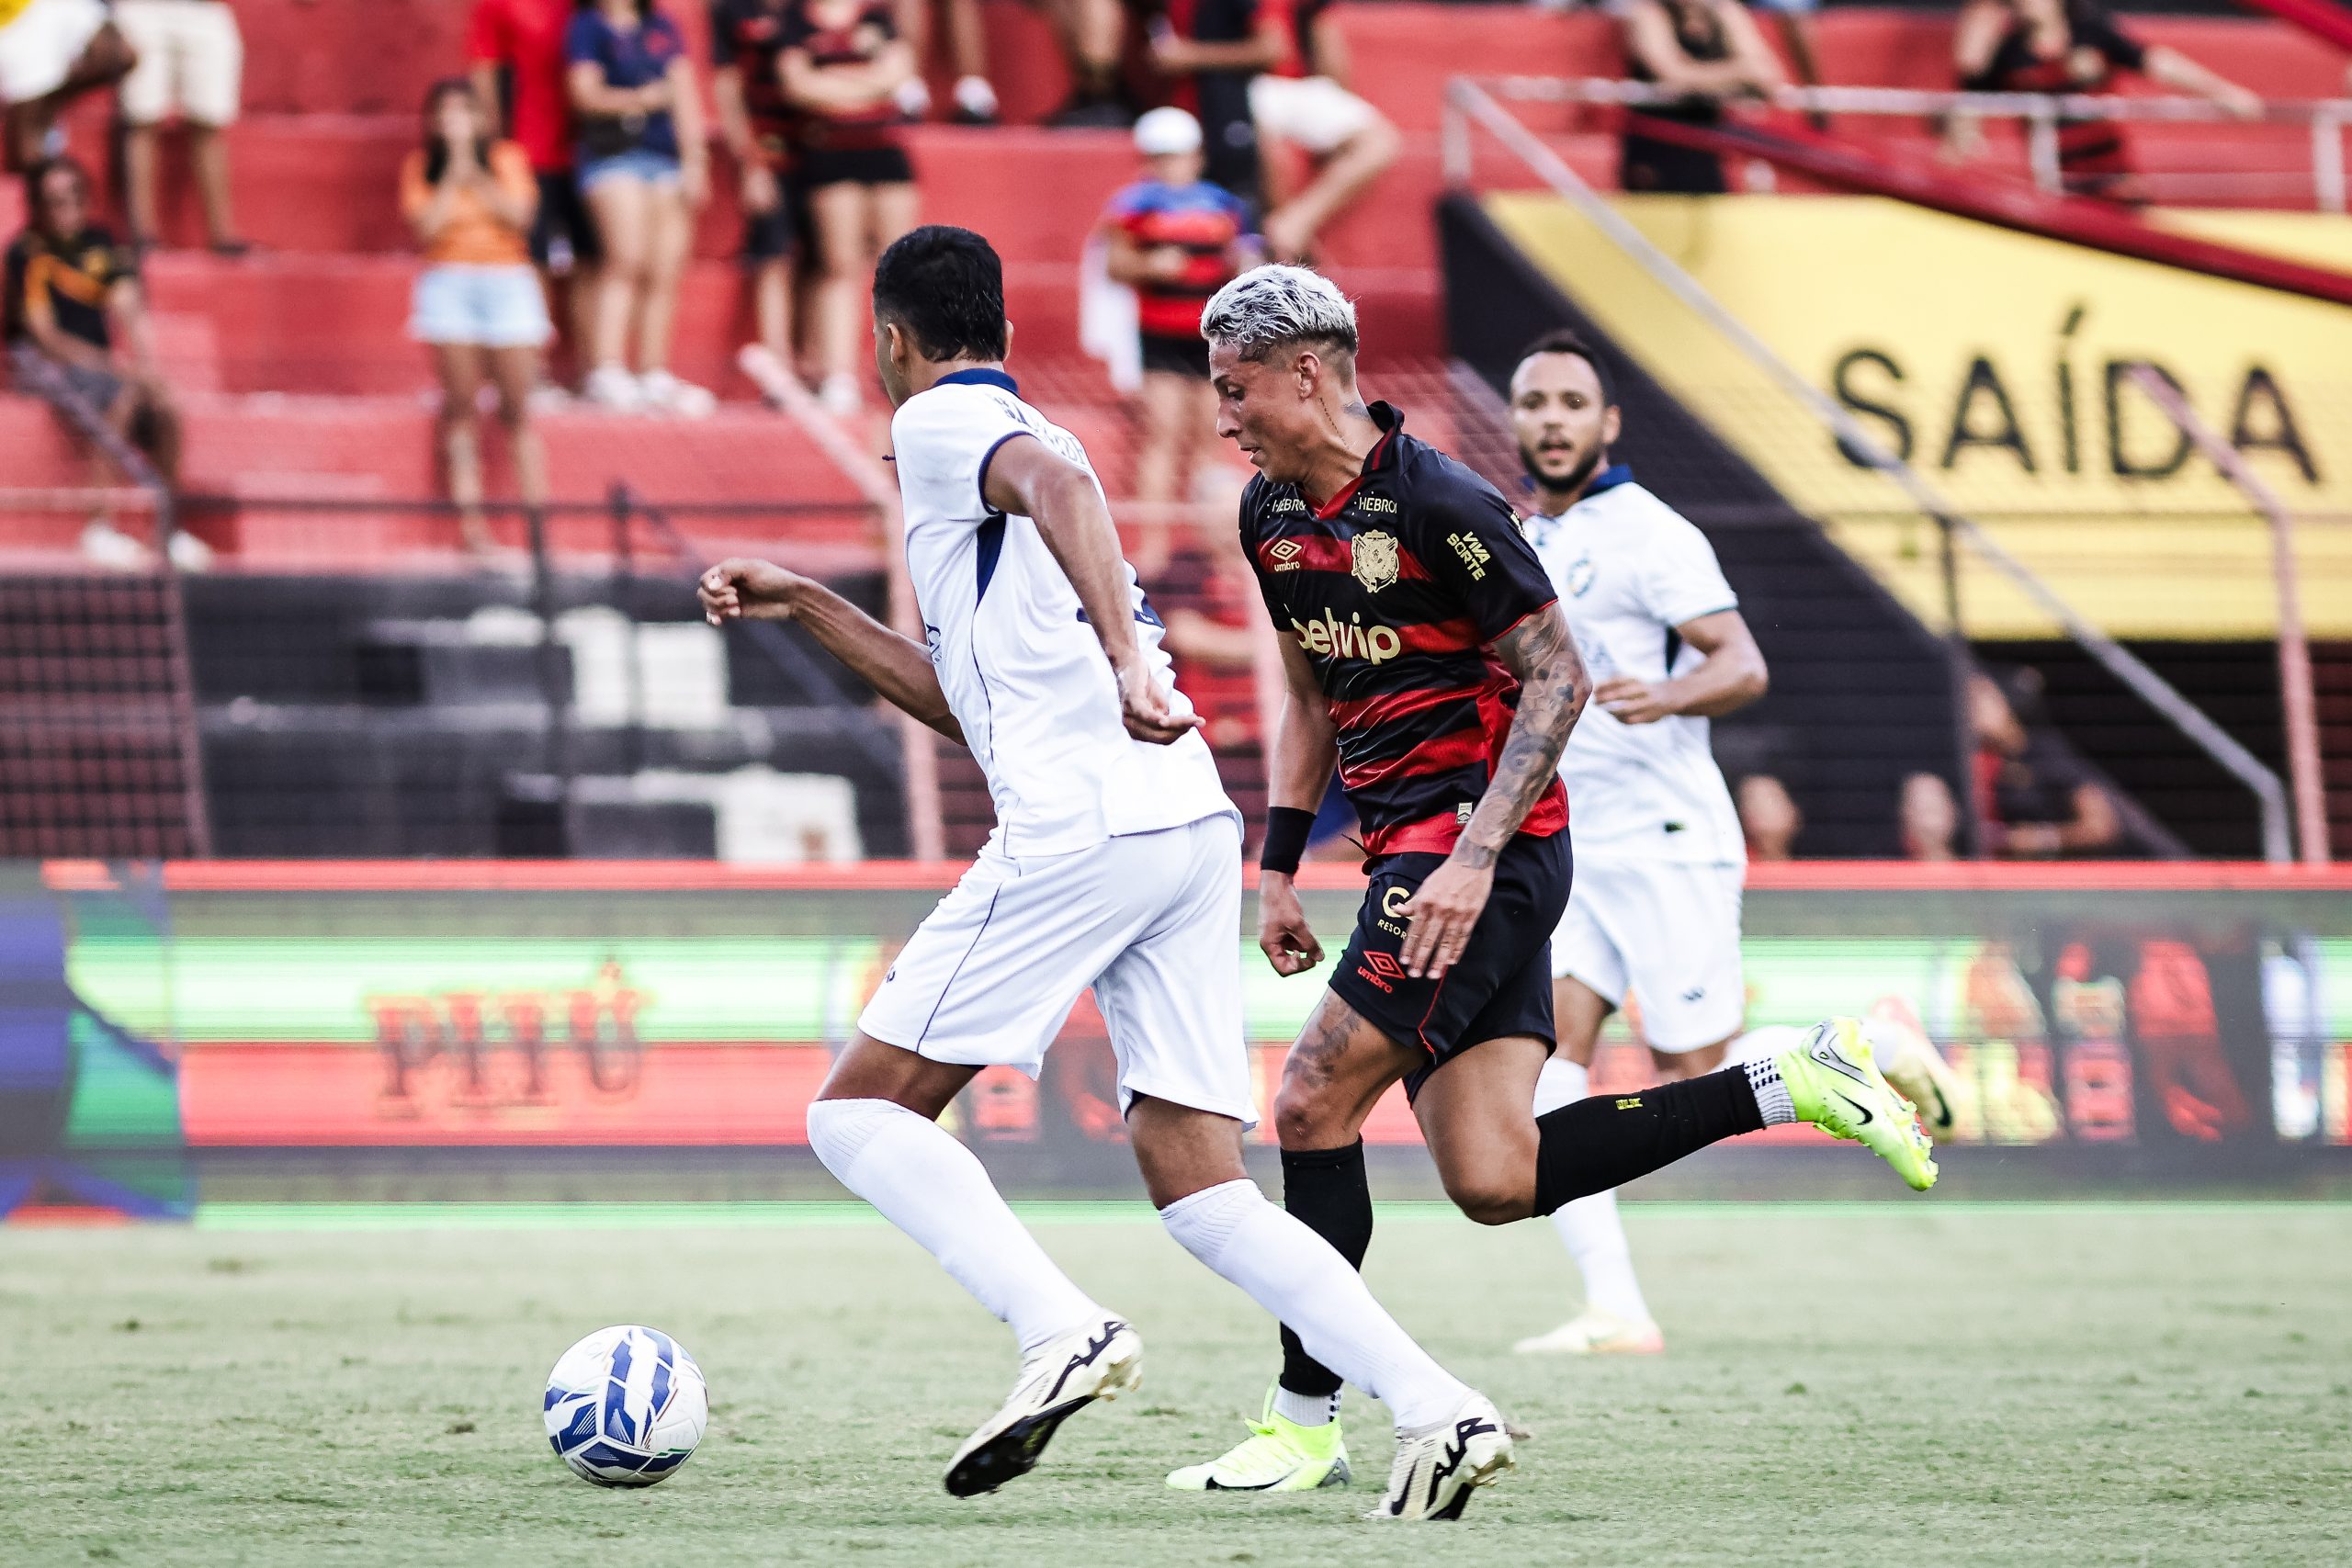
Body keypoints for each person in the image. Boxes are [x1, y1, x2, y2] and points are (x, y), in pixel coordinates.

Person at [696, 224, 1516, 1521]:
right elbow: (968, 698)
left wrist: (1138, 668)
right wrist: (809, 602)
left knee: (856, 1115)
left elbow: (1063, 497)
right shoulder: (1020, 445)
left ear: (891, 340)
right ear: (1009, 331)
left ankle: (1057, 1327)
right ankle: (1439, 1404)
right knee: (1201, 1186)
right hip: (1180, 823)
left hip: (1079, 832)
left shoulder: (943, 426)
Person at [1169, 266, 1936, 1492]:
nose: (1223, 414)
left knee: (1310, 1101)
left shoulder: (1445, 502)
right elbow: (1311, 693)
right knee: (1495, 1177)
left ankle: (1304, 1418)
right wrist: (1277, 862)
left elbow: (1561, 679)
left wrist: (1474, 856)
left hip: (1484, 851)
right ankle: (1792, 1076)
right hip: (1415, 853)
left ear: (1305, 372)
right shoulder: (1271, 514)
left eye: (1235, 387)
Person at [1503, 332, 1958, 1356]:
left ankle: (1870, 1045)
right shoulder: (1522, 534)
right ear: (1517, 418)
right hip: (1575, 845)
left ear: (1607, 422)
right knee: (1544, 1070)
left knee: (1688, 1069)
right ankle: (1615, 1307)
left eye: (1574, 401)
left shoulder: (1653, 534)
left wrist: (1660, 695)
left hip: (1668, 842)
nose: (1553, 419)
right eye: (1535, 402)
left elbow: (1742, 663)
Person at [5, 153, 206, 570]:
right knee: (122, 398)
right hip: (47, 363)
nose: (66, 209)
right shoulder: (27, 252)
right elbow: (44, 335)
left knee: (165, 407)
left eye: (74, 197)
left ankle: (168, 530)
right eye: (54, 201)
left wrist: (149, 368)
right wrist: (116, 370)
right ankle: (98, 527)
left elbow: (128, 307)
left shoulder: (102, 242)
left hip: (101, 364)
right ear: (37, 207)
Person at [1100, 106, 1256, 574]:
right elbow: (1114, 265)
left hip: (1211, 340)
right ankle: (1154, 543)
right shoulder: (1133, 206)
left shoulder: (1224, 205)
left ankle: (1213, 545)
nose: (1172, 166)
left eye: (1179, 156)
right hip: (1161, 337)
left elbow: (1242, 256)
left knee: (1209, 439)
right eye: (1163, 157)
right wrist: (1152, 266)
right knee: (1162, 435)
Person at [401, 78, 552, 558]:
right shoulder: (422, 167)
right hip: (449, 282)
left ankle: (537, 528)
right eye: (445, 115)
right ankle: (472, 529)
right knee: (461, 406)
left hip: (506, 281)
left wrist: (477, 175)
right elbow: (426, 227)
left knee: (516, 409)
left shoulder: (507, 160)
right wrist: (453, 174)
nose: (455, 124)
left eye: (463, 113)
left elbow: (519, 217)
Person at [1948, 0, 2261, 202]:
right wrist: (1961, 137)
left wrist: (2225, 93)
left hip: (2116, 183)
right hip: (2058, 191)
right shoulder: (2008, 54)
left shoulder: (2090, 33)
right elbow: (1970, 103)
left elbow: (2158, 63)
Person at [565, 0, 714, 415]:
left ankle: (652, 370)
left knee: (664, 268)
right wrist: (642, 99)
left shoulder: (661, 24)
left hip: (663, 155)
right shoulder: (588, 26)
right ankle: (607, 368)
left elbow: (683, 93)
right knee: (624, 257)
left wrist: (695, 160)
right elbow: (585, 93)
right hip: (613, 155)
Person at [779, 0, 920, 416]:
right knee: (839, 264)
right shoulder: (797, 19)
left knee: (901, 270)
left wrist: (833, 84)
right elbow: (798, 86)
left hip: (885, 152)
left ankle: (904, 371)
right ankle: (837, 373)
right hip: (831, 155)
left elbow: (899, 73)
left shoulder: (878, 17)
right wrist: (868, 85)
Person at [469, 0, 604, 390]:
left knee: (590, 261)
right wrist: (495, 150)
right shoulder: (501, 5)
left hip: (591, 153)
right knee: (534, 261)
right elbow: (485, 72)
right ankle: (534, 371)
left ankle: (593, 370)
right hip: (530, 151)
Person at [1904, 670, 2121, 859]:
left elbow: (2101, 826)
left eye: (1979, 702)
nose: (1970, 713)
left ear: (2006, 704)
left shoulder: (2046, 755)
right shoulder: (1980, 763)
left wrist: (2041, 839)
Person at [1247, 0, 1396, 264]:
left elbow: (1326, 43)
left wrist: (1340, 111)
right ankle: (1288, 243)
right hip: (1247, 85)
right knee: (1271, 149)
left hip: (1301, 87)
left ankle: (1293, 225)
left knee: (1379, 141)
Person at [708, 0, 801, 399]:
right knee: (774, 253)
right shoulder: (732, 10)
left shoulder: (810, 9)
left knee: (823, 259)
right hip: (767, 148)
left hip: (824, 145)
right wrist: (748, 160)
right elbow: (727, 87)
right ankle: (778, 369)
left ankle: (818, 366)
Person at [114, 0, 254, 253]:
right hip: (142, 8)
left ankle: (222, 234)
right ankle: (142, 233)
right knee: (142, 118)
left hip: (204, 9)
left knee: (209, 121)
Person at [1614, 0, 1785, 195]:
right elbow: (1673, 75)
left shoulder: (1725, 12)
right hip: (1657, 145)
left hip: (1706, 145)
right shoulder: (1648, 12)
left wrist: (1697, 78)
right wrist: (1739, 73)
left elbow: (1767, 76)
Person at [0, 0, 135, 171]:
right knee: (29, 124)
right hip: (12, 15)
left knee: (123, 55)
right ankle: (39, 179)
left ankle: (50, 98)